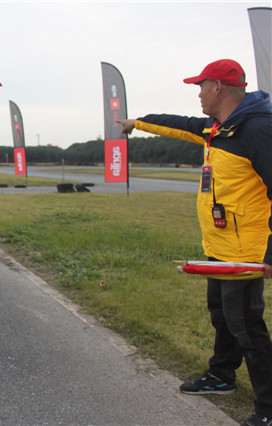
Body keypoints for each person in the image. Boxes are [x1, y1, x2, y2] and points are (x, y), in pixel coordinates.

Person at [117, 59, 272, 426]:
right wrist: (137, 123)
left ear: (218, 87)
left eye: (201, 86)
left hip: (246, 251)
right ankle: (221, 376)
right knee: (221, 315)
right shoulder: (216, 128)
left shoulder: (258, 130)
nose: (198, 94)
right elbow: (178, 125)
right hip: (220, 245)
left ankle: (268, 408)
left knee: (246, 326)